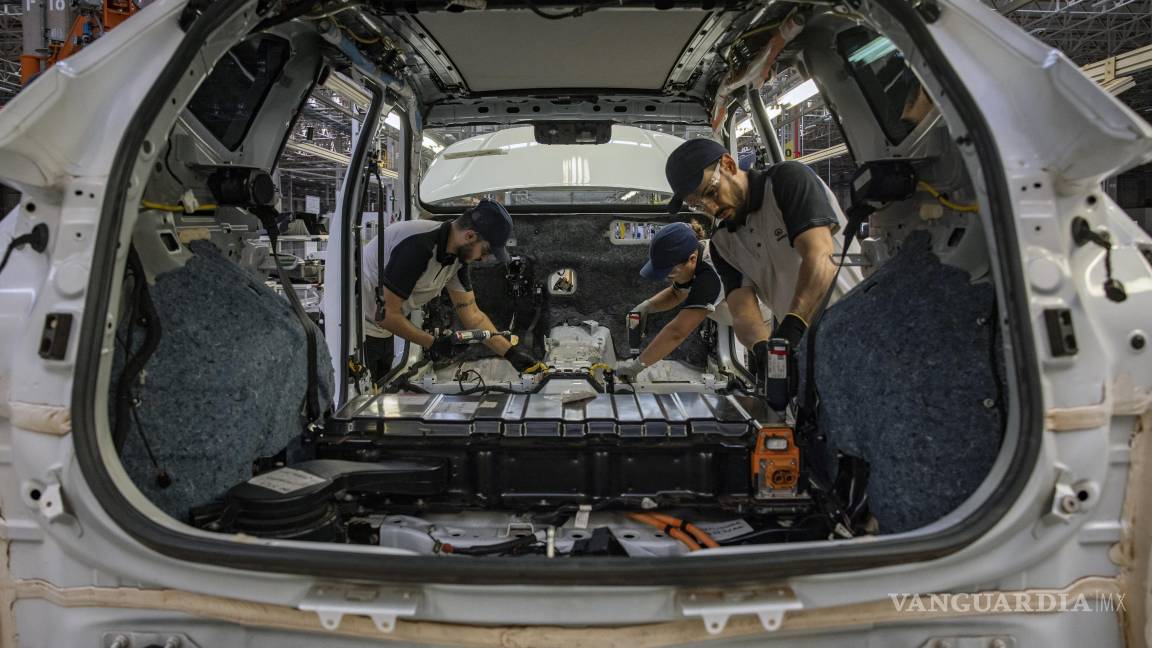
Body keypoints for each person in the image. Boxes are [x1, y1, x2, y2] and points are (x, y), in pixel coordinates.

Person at [662, 138, 851, 374]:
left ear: (729, 165)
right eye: (698, 205)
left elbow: (820, 255)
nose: (711, 208)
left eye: (711, 192)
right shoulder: (723, 243)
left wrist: (794, 324)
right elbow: (742, 311)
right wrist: (760, 346)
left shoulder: (786, 181)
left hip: (857, 324)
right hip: (810, 350)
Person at [361, 199, 540, 384]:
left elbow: (473, 316)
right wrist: (433, 343)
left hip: (382, 332)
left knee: (378, 391)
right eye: (485, 250)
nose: (484, 258)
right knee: (363, 398)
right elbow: (386, 315)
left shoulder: (455, 258)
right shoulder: (418, 246)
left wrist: (512, 354)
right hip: (357, 333)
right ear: (470, 236)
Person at [613, 223, 724, 381]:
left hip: (757, 324)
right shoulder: (693, 255)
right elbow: (677, 293)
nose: (666, 278)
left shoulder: (710, 276)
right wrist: (645, 307)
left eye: (670, 273)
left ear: (692, 259)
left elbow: (677, 333)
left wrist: (636, 367)